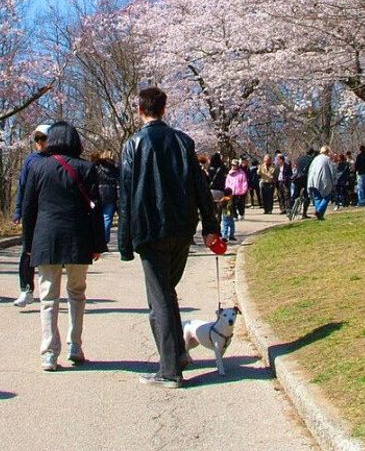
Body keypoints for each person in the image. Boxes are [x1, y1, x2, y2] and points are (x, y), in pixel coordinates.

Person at [118, 86, 221, 388]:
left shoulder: (133, 145)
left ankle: (169, 371)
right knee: (167, 293)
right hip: (181, 228)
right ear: (165, 108)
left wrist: (125, 242)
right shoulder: (182, 141)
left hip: (150, 231)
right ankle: (178, 355)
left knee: (159, 299)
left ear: (140, 109)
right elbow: (200, 186)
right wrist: (210, 226)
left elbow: (126, 195)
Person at [20, 122, 105, 372]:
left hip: (46, 238)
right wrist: (98, 243)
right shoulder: (87, 168)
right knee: (77, 294)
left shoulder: (37, 167)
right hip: (78, 239)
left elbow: (28, 209)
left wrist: (28, 244)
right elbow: (95, 210)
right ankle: (75, 346)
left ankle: (49, 353)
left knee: (48, 297)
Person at [11, 125, 50, 307]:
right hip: (31, 212)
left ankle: (48, 291)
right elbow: (23, 187)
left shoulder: (57, 159)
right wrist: (18, 210)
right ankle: (26, 289)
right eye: (37, 139)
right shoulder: (30, 160)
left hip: (49, 213)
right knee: (27, 251)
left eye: (44, 138)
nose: (40, 143)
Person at [90, 149, 120, 249]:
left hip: (98, 193)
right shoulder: (114, 167)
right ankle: (105, 241)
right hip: (111, 194)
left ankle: (96, 240)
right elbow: (118, 180)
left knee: (96, 218)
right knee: (107, 219)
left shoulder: (95, 166)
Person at [307, 145, 337, 220]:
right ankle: (319, 211)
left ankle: (319, 216)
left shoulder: (315, 159)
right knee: (327, 196)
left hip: (312, 181)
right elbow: (332, 171)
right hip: (323, 181)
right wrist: (334, 180)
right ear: (327, 152)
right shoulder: (327, 159)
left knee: (317, 198)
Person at [225, 159, 249, 237]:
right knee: (232, 205)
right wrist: (227, 189)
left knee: (240, 204)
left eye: (235, 165)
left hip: (240, 191)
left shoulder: (241, 173)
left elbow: (244, 182)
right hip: (231, 191)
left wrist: (244, 189)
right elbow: (227, 182)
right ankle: (235, 215)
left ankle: (241, 213)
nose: (234, 166)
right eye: (232, 165)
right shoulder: (229, 173)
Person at [292, 148, 315, 218]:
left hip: (297, 178)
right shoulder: (311, 160)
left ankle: (290, 209)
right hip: (306, 178)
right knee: (306, 196)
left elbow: (295, 168)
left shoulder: (299, 158)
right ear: (312, 153)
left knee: (295, 194)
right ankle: (304, 214)